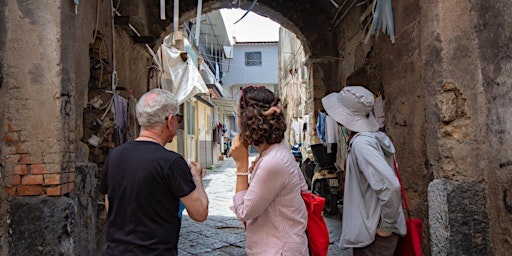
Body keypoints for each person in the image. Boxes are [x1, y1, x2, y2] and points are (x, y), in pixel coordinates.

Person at [99, 89, 209, 256]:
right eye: (178, 119)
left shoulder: (114, 156)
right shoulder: (171, 163)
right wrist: (197, 178)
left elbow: (110, 206)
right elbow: (200, 213)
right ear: (170, 120)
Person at [321, 86, 406, 256]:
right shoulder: (373, 138)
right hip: (373, 232)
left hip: (374, 237)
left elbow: (390, 186)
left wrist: (386, 228)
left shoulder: (362, 144)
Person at [230, 86, 309, 255]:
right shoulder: (275, 153)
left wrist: (241, 166)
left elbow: (244, 211)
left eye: (239, 116)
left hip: (279, 250)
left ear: (247, 119)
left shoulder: (273, 161)